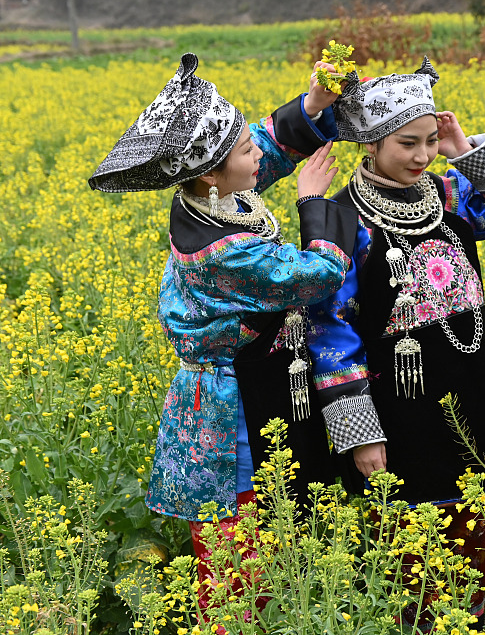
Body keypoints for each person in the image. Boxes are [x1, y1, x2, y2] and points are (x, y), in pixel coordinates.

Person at [88, 53, 356, 615]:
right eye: (242, 150)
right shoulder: (225, 249)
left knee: (274, 524)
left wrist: (313, 104)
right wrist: (312, 203)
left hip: (256, 374)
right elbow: (314, 277)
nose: (256, 151)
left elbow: (264, 142)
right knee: (238, 536)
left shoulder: (208, 197)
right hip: (232, 399)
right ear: (212, 173)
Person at [286, 57, 485, 619]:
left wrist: (463, 146)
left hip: (473, 391)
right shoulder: (343, 220)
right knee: (416, 571)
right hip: (399, 411)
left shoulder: (446, 194)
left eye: (429, 141)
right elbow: (331, 330)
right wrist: (358, 433)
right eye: (407, 144)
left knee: (476, 552)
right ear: (370, 145)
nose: (423, 156)